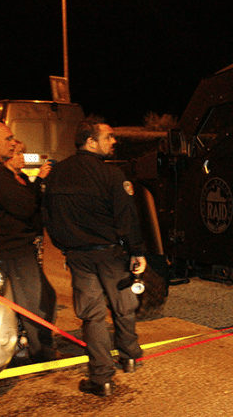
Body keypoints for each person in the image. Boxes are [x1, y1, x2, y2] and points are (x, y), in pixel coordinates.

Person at [44, 120, 147, 397]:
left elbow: (49, 217)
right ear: (91, 142)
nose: (114, 142)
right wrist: (137, 251)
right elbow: (127, 217)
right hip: (112, 254)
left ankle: (101, 377)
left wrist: (65, 246)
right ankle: (129, 357)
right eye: (108, 137)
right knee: (123, 305)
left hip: (79, 256)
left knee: (92, 316)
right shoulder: (111, 174)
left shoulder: (56, 174)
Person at [0, 122, 58, 364]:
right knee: (38, 301)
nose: (13, 143)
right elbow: (24, 206)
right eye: (9, 138)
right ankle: (42, 354)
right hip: (13, 249)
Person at [5, 140, 53, 269]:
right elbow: (27, 200)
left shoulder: (23, 177)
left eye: (23, 153)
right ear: (8, 157)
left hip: (34, 232)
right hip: (21, 236)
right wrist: (39, 179)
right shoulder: (7, 179)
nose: (23, 157)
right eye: (18, 153)